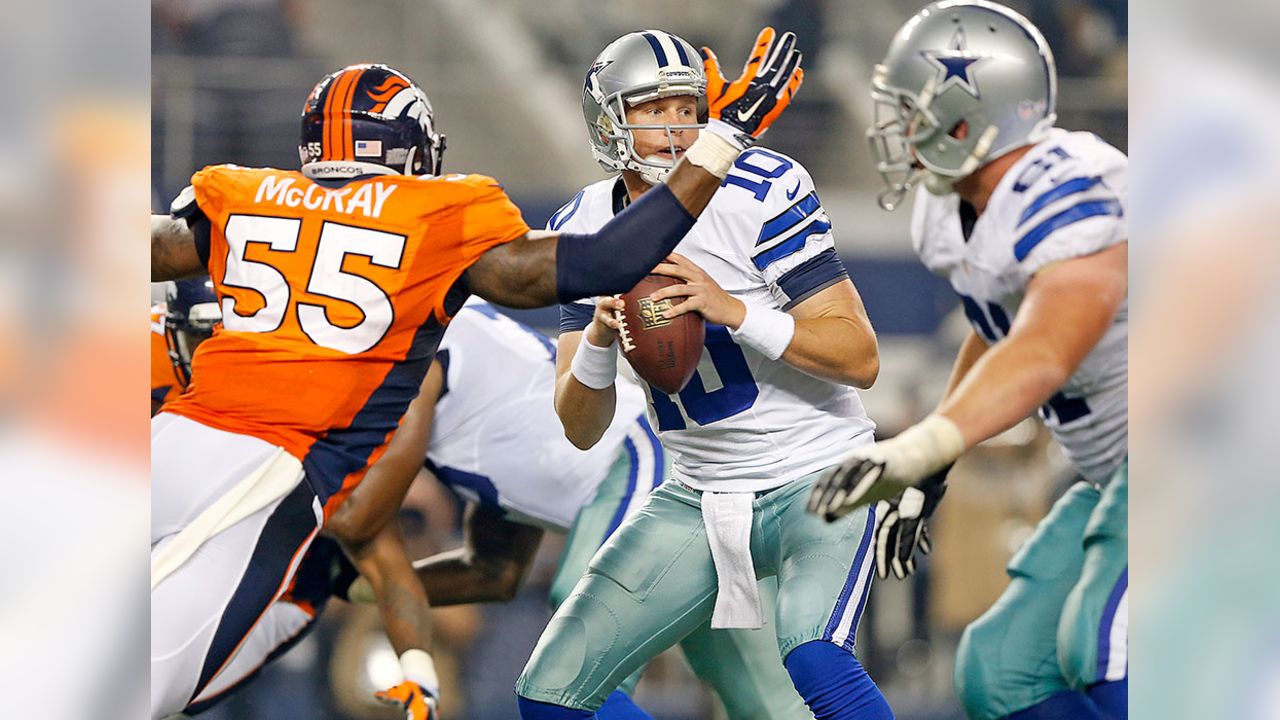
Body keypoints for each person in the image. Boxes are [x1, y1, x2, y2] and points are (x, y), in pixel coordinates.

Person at [150, 31, 803, 720]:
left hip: (180, 443)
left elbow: (153, 249)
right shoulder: (434, 230)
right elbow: (607, 261)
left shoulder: (243, 191)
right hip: (273, 474)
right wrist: (720, 142)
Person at [516, 29, 889, 720]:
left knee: (816, 654)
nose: (675, 128)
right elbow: (579, 425)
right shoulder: (582, 224)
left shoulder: (760, 188)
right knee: (551, 694)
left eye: (686, 108)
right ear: (609, 120)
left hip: (817, 473)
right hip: (697, 492)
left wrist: (734, 311)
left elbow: (860, 356)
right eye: (652, 109)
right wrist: (599, 336)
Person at [807, 2, 1128, 719]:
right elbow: (999, 327)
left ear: (967, 117)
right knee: (1002, 669)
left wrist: (920, 443)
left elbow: (1047, 348)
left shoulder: (1070, 187)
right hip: (1117, 471)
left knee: (1110, 644)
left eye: (915, 109)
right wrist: (935, 463)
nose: (899, 127)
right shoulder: (961, 210)